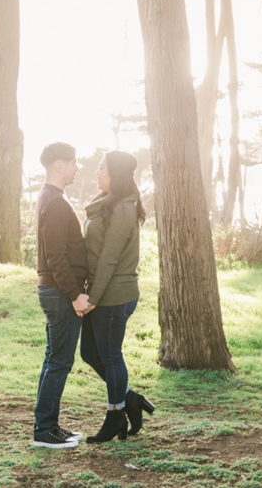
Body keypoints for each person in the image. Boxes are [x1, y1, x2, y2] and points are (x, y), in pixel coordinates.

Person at [77, 150, 152, 443]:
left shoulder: (123, 208)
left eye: (102, 168)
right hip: (100, 292)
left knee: (109, 355)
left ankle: (115, 415)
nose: (97, 173)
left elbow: (109, 258)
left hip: (114, 294)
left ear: (115, 175)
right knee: (90, 353)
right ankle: (129, 400)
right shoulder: (106, 204)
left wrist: (91, 298)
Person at [32, 141, 90, 449]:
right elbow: (55, 256)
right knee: (59, 361)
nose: (77, 167)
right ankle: (44, 431)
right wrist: (75, 294)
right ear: (59, 165)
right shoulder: (54, 201)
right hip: (58, 292)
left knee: (54, 359)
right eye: (74, 162)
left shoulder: (51, 197)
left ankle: (48, 425)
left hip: (55, 291)